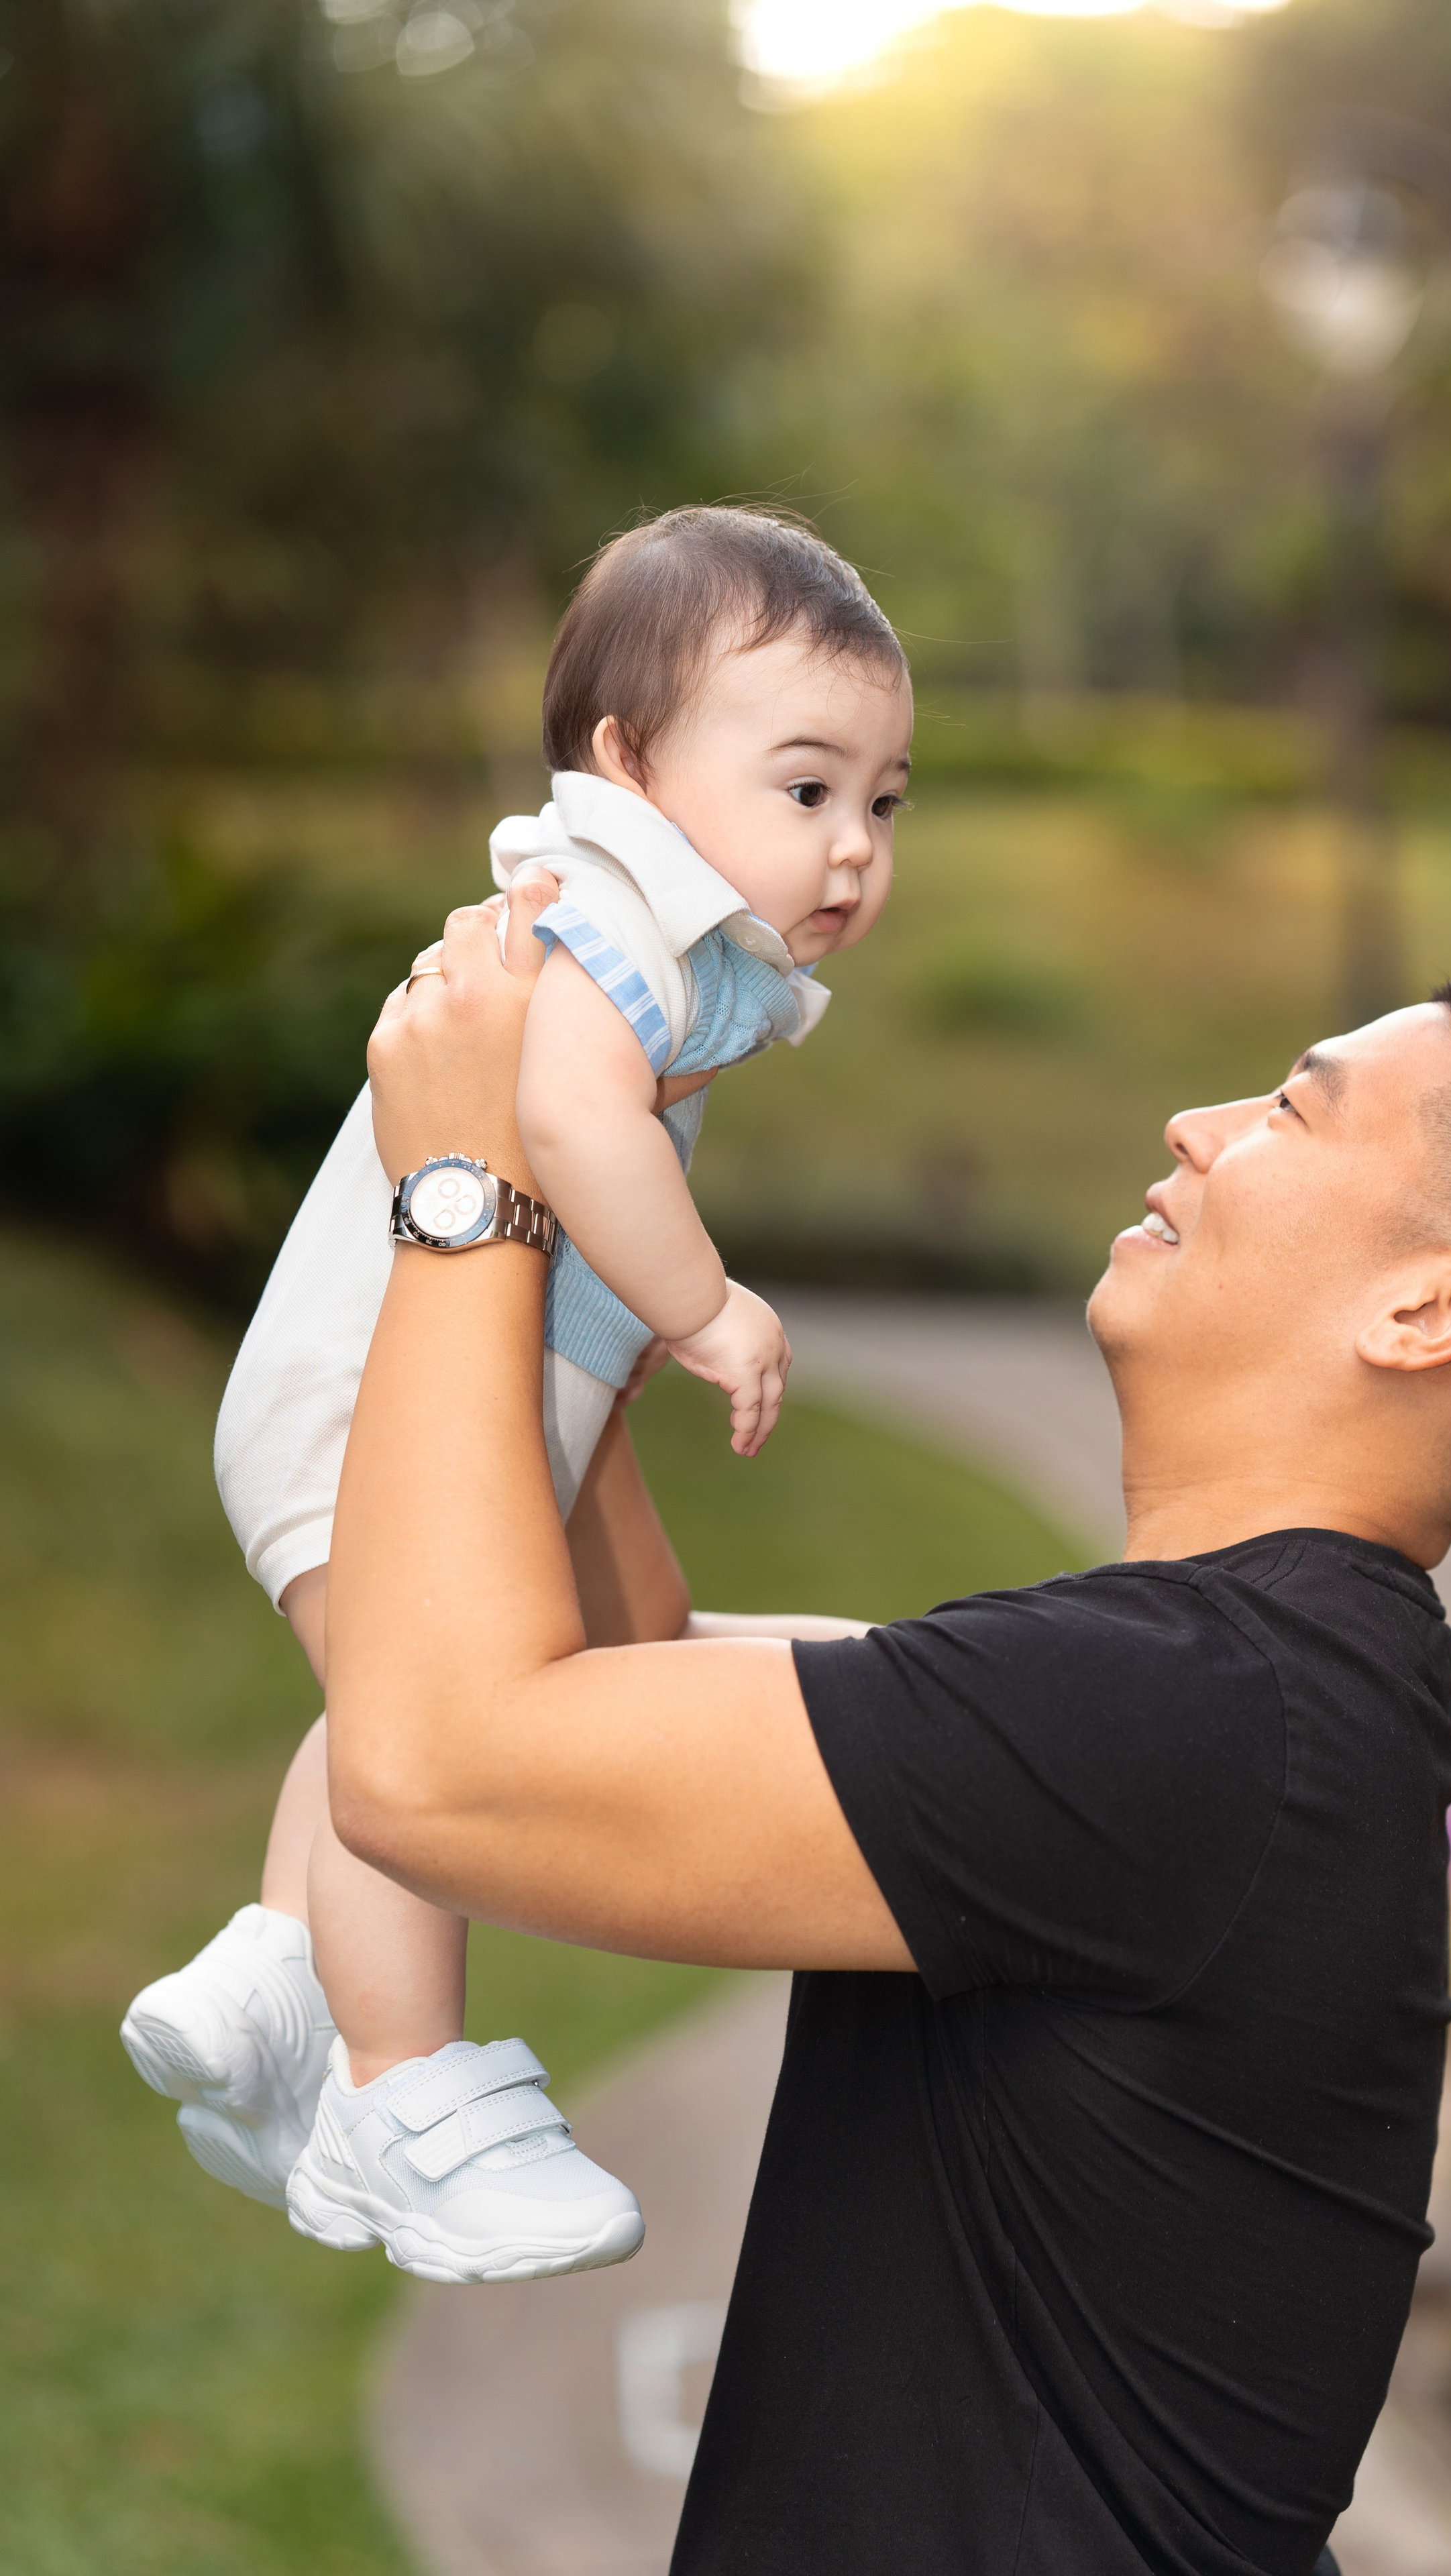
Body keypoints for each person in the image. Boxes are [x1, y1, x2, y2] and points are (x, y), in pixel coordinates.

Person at [325, 922, 1451, 2574]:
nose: (1198, 1124)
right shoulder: (1247, 1695)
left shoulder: (1194, 1715)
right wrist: (591, 1244)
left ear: (1428, 1306)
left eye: (1292, 1106)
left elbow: (432, 1765)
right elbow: (611, 1681)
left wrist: (466, 1194)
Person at [118, 506, 912, 2284]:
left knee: (434, 1701)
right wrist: (700, 1306)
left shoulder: (671, 929)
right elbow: (562, 1124)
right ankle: (400, 2098)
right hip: (372, 1400)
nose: (854, 846)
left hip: (435, 1392)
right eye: (806, 789)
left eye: (884, 799)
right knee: (439, 1738)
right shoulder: (605, 915)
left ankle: (264, 1977)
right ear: (626, 764)